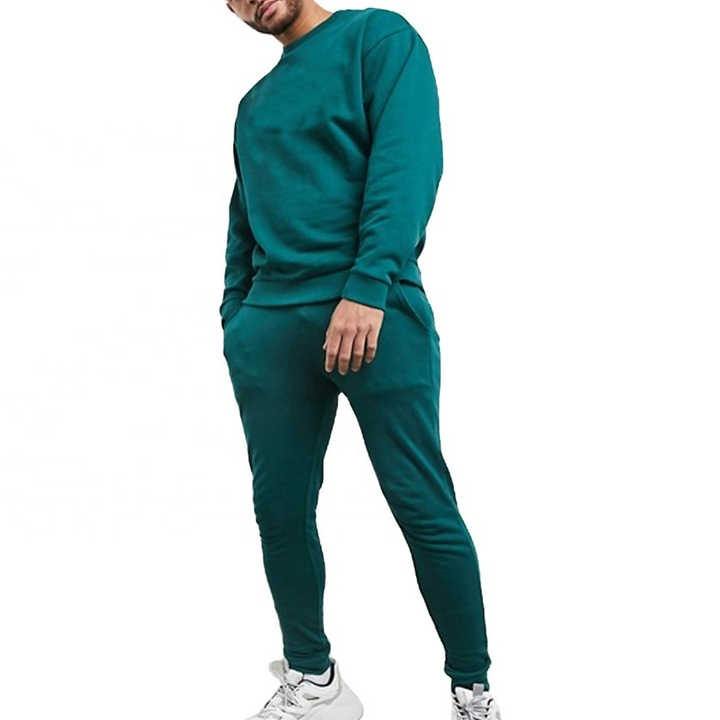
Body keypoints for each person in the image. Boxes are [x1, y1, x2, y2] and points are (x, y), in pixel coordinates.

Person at [220, 2, 502, 718]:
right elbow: (243, 218)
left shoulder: (377, 38)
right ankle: (315, 681)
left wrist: (369, 284)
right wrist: (236, 321)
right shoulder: (254, 106)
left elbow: (408, 162)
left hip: (373, 311)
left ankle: (472, 689)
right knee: (279, 508)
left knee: (419, 499)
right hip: (271, 329)